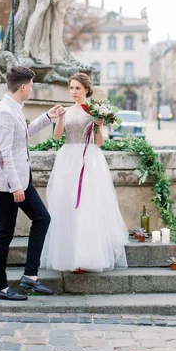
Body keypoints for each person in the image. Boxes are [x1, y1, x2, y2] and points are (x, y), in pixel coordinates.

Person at [0, 66, 65, 300]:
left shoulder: (14, 108)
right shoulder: (4, 113)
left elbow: (23, 134)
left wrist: (47, 118)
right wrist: (15, 187)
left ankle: (30, 277)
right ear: (23, 87)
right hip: (8, 185)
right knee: (4, 232)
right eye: (31, 85)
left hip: (21, 180)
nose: (32, 88)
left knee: (42, 218)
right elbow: (3, 155)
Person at [41, 73, 128, 272]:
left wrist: (98, 126)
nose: (73, 92)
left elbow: (99, 142)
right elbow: (57, 137)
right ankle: (70, 255)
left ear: (86, 90)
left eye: (77, 88)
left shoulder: (93, 112)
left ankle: (85, 256)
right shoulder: (66, 111)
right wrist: (61, 118)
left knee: (87, 205)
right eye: (71, 88)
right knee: (68, 204)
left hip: (88, 159)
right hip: (68, 158)